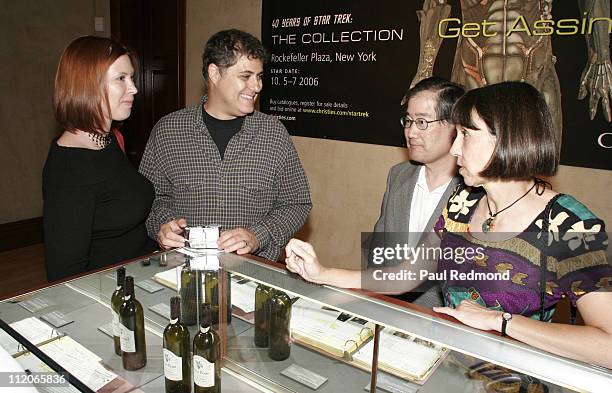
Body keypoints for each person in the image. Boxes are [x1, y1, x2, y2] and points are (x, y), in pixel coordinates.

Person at [286, 81, 612, 368]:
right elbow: (407, 275)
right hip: (446, 367)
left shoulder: (570, 223)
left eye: (466, 135)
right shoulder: (463, 203)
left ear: (508, 139)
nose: (455, 149)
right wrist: (323, 273)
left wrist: (500, 321)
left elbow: (607, 346)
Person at [139, 29, 311, 261]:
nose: (257, 86)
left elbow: (296, 202)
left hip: (252, 273)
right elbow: (151, 199)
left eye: (259, 76)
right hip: (183, 269)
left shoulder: (273, 133)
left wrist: (257, 236)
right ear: (214, 73)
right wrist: (163, 226)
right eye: (246, 76)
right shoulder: (168, 130)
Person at [43, 36, 157, 282]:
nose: (134, 88)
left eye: (132, 78)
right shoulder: (70, 168)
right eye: (121, 78)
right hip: (113, 293)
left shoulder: (109, 140)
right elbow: (65, 274)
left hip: (142, 274)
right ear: (88, 85)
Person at [365, 77, 464, 305]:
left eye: (422, 122)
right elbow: (379, 249)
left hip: (442, 323)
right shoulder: (398, 175)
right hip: (386, 309)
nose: (410, 133)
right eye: (408, 121)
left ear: (455, 126)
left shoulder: (475, 192)